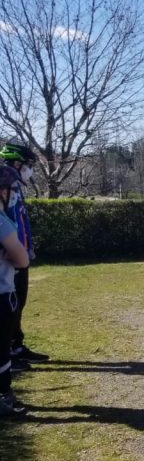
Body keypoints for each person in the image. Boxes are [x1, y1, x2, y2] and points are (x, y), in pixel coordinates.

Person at [0, 143, 45, 368]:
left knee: (19, 305)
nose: (30, 170)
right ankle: (8, 352)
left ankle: (16, 345)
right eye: (28, 165)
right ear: (17, 163)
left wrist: (27, 248)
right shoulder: (6, 187)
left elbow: (21, 222)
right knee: (11, 306)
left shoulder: (16, 186)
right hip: (10, 260)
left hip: (21, 255)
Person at [0, 166, 31, 418]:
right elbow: (21, 259)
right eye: (11, 190)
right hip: (2, 292)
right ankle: (3, 397)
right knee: (2, 350)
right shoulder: (1, 221)